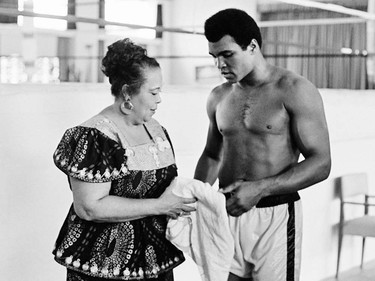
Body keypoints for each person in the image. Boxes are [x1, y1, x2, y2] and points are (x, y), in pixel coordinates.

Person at [194, 8, 331, 281]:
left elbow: (321, 163)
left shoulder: (294, 90)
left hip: (275, 216)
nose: (220, 65)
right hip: (227, 212)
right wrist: (194, 198)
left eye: (227, 55)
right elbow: (211, 155)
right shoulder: (218, 97)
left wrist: (259, 189)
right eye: (214, 56)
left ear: (252, 46)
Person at [52, 38, 196, 281]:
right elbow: (89, 207)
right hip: (104, 266)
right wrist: (159, 206)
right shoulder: (94, 136)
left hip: (154, 261)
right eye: (153, 92)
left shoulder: (156, 130)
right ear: (128, 92)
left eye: (160, 91)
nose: (159, 99)